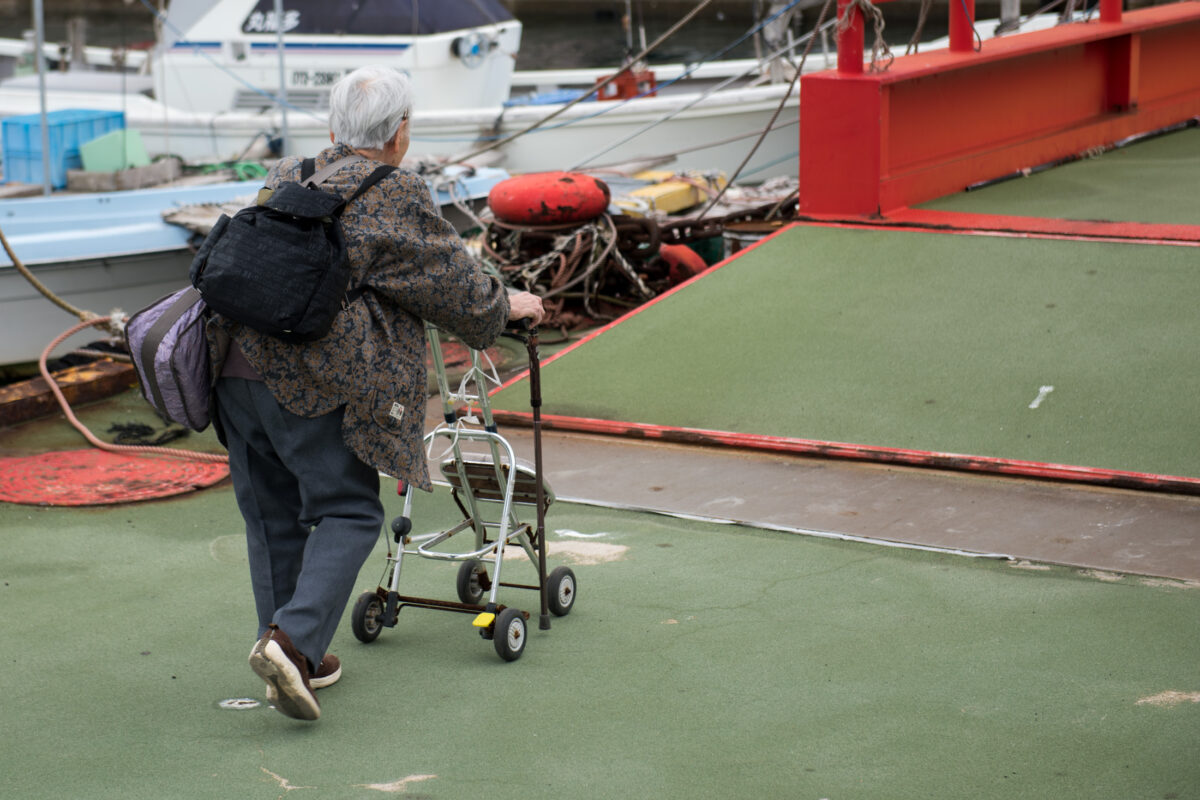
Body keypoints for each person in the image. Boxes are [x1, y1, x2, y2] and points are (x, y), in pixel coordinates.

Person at [209, 65, 544, 721]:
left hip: (231, 368)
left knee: (273, 517)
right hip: (310, 382)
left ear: (332, 130)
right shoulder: (394, 192)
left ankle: (292, 653)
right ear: (399, 135)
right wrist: (513, 305)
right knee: (351, 511)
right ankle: (293, 642)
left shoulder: (288, 174)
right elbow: (459, 293)